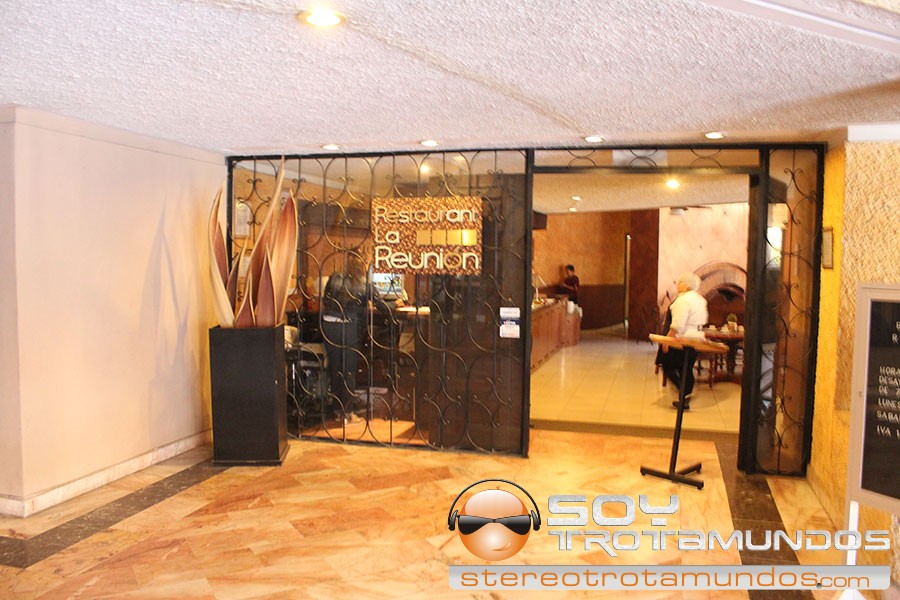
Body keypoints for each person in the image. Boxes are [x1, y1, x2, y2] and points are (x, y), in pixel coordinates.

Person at [321, 264, 368, 423]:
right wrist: (396, 304)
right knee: (348, 371)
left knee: (335, 369)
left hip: (329, 325)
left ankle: (337, 411)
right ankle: (348, 413)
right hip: (347, 327)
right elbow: (380, 304)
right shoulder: (361, 284)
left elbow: (325, 300)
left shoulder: (334, 277)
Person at [661, 272, 708, 410]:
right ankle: (685, 396)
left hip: (682, 339)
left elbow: (678, 324)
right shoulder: (700, 299)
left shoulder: (683, 300)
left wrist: (667, 341)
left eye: (680, 282)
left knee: (668, 366)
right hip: (696, 337)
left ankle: (683, 391)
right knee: (686, 367)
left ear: (686, 285)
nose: (678, 285)